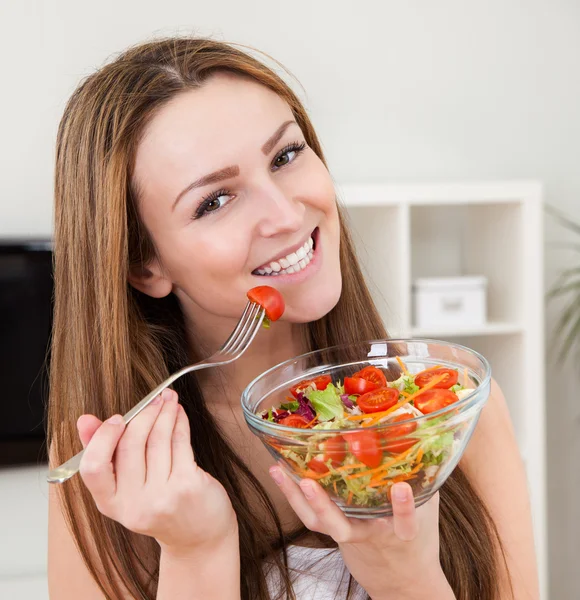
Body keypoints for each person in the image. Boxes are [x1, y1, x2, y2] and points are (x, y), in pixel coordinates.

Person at [47, 37, 539, 600]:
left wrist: (406, 578)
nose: (285, 214)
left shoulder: (446, 405)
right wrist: (197, 553)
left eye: (285, 156)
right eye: (215, 201)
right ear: (144, 264)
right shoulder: (112, 462)